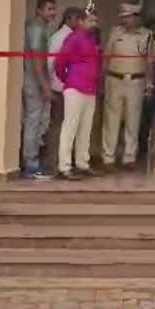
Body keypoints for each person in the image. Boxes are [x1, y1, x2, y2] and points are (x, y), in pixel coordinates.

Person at [53, 10, 102, 181]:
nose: (94, 24)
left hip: (90, 89)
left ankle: (82, 163)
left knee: (86, 129)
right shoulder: (73, 38)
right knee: (70, 128)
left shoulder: (92, 39)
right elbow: (59, 62)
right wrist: (67, 79)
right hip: (75, 88)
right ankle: (64, 167)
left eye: (95, 21)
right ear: (81, 21)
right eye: (91, 21)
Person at [102, 4, 150, 169]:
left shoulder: (146, 35)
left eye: (128, 16)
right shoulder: (115, 32)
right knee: (111, 120)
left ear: (136, 17)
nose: (124, 20)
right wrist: (101, 79)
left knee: (133, 120)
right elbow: (106, 56)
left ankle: (129, 157)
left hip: (136, 81)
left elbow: (149, 61)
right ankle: (108, 157)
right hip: (114, 79)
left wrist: (148, 85)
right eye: (123, 17)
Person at [22, 0, 58, 180]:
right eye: (49, 9)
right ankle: (30, 163)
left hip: (39, 81)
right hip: (34, 82)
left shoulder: (42, 28)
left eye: (54, 9)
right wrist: (45, 86)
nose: (53, 13)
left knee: (39, 121)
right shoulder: (36, 28)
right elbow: (37, 60)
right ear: (39, 10)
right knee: (33, 121)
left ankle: (35, 160)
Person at [43, 6, 82, 175]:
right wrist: (49, 86)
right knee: (58, 126)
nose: (81, 23)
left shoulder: (71, 36)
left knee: (66, 125)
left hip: (66, 87)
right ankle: (53, 163)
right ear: (71, 19)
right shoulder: (61, 37)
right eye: (79, 20)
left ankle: (61, 161)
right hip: (59, 87)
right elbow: (51, 63)